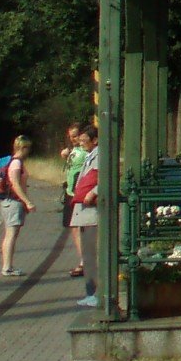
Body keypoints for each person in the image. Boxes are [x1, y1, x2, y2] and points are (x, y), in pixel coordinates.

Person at [69, 126, 100, 309]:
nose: (81, 144)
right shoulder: (90, 155)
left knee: (90, 253)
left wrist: (92, 192)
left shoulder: (99, 155)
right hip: (83, 211)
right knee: (87, 255)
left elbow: (103, 176)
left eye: (83, 140)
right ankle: (90, 292)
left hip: (90, 211)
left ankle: (94, 293)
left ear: (94, 140)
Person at [0, 135, 35, 276]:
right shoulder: (16, 164)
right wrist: (27, 202)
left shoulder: (14, 162)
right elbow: (15, 185)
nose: (29, 151)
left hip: (10, 202)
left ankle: (8, 266)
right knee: (11, 234)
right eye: (28, 148)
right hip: (13, 202)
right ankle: (7, 267)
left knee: (10, 233)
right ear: (23, 148)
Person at [61, 123, 87, 277]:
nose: (73, 139)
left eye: (75, 136)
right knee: (74, 227)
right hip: (70, 191)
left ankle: (85, 261)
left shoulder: (83, 152)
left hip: (77, 193)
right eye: (71, 136)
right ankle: (84, 260)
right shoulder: (74, 150)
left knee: (78, 228)